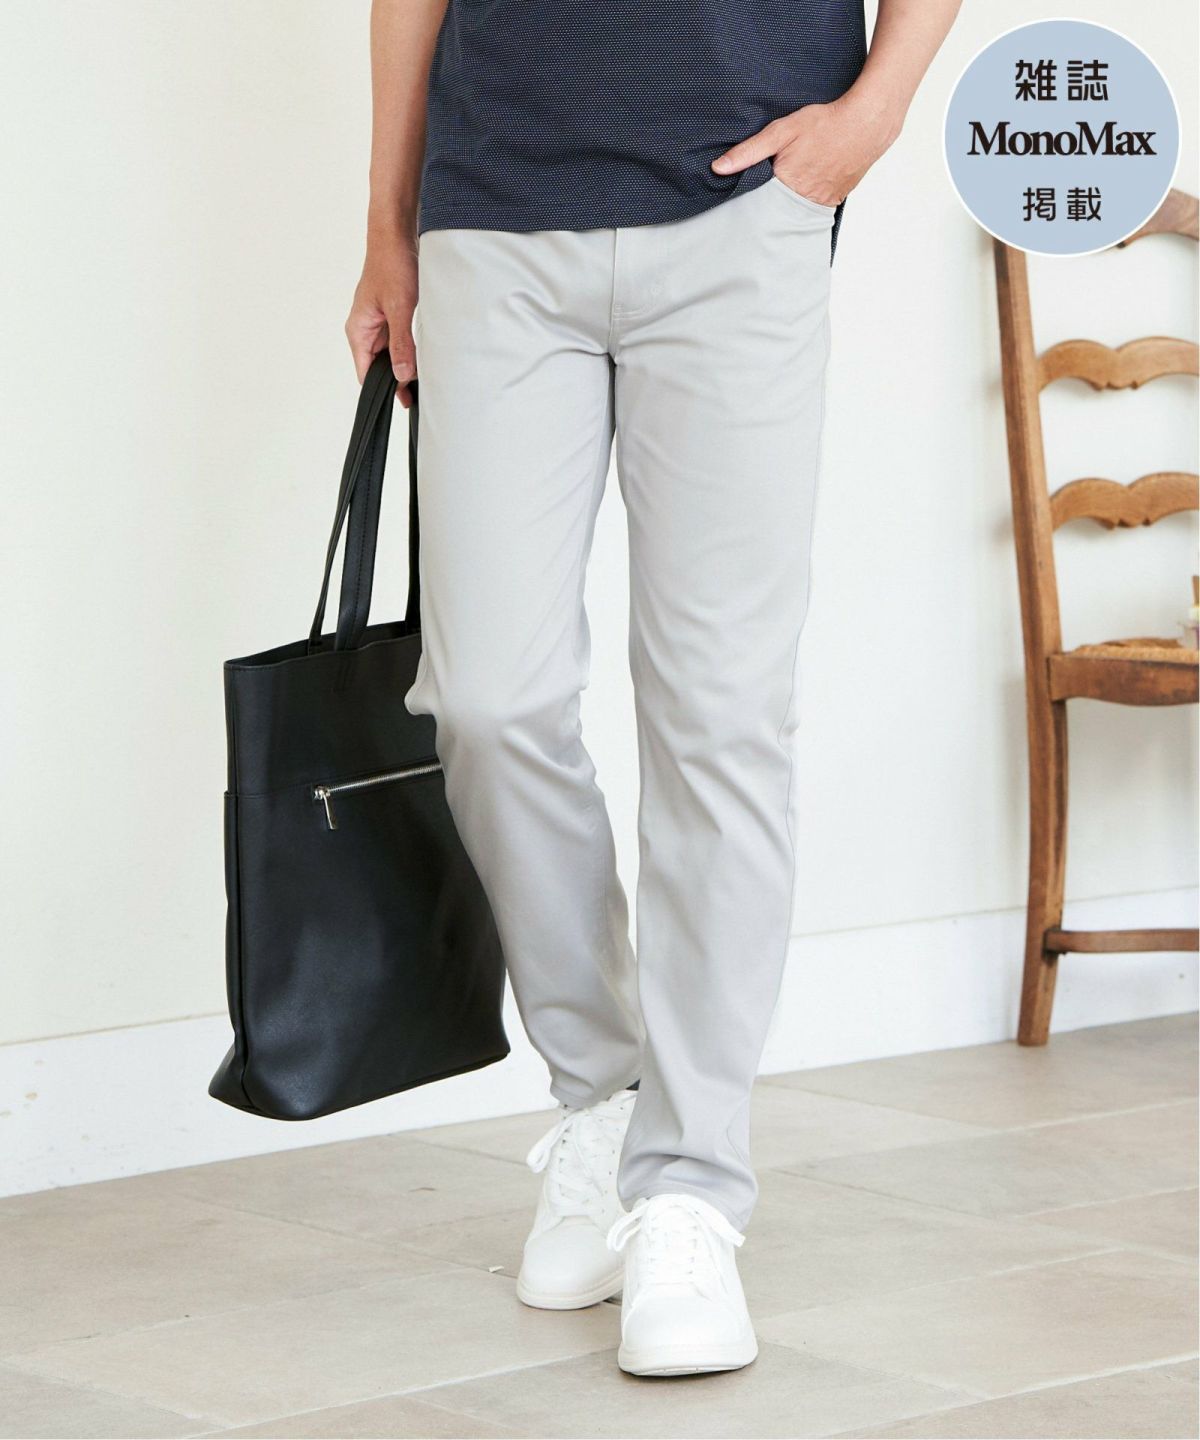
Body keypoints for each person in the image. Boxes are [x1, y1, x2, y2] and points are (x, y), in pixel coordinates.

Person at [347, 0, 960, 1378]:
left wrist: (873, 114)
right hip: (494, 212)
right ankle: (604, 1097)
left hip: (745, 204)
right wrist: (388, 220)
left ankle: (690, 1187)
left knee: (720, 714)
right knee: (487, 697)